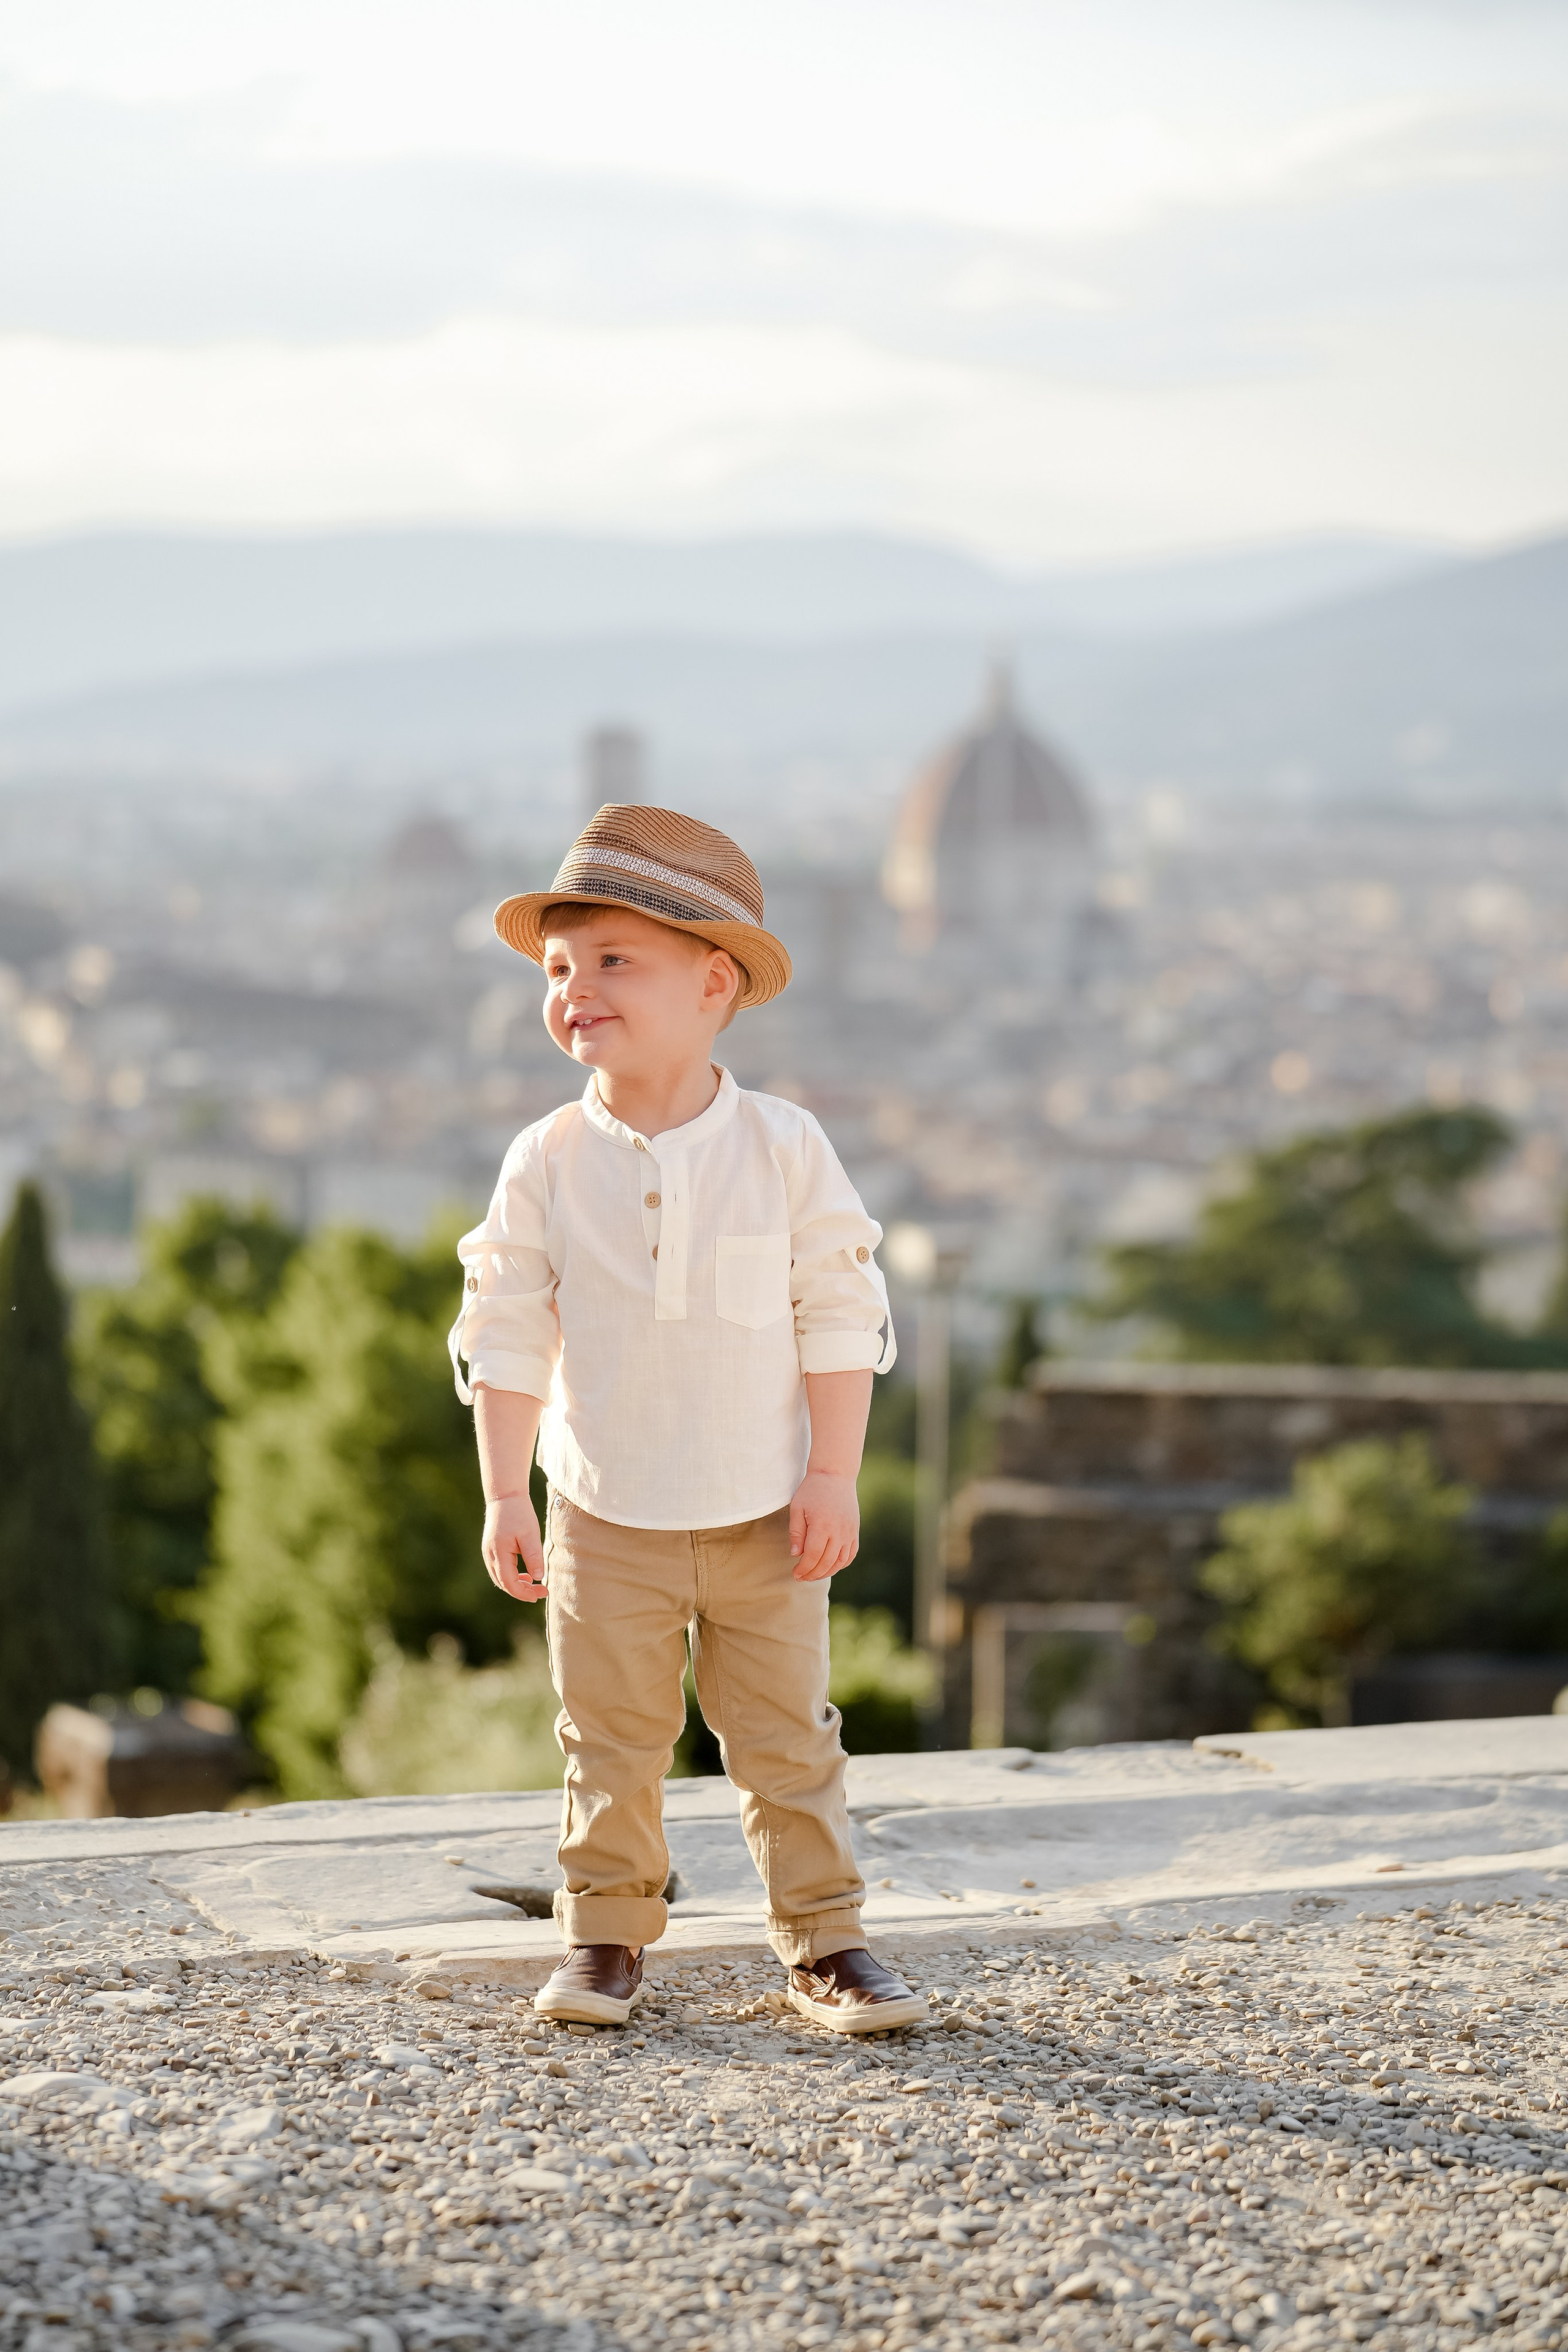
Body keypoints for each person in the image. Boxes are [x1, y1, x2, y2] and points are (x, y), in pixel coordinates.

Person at [449, 803, 923, 2035]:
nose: (577, 989)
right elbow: (505, 1328)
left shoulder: (784, 1146)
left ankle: (826, 1941)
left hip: (767, 1510)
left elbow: (838, 1312)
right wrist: (505, 1491)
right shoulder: (547, 1157)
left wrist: (833, 1475)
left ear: (715, 985)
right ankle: (603, 1936)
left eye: (614, 960)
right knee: (609, 1739)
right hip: (603, 1512)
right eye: (560, 968)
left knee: (786, 1739)